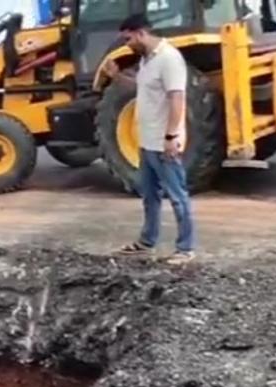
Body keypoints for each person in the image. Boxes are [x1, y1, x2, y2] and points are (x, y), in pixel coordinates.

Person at [105, 14, 196, 265]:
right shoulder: (147, 61)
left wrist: (171, 136)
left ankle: (185, 249)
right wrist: (116, 77)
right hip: (146, 143)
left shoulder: (168, 59)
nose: (127, 45)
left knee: (178, 196)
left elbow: (177, 99)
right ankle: (146, 242)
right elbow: (142, 89)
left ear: (141, 33)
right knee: (150, 196)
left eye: (128, 39)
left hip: (164, 142)